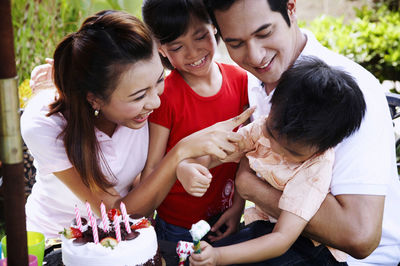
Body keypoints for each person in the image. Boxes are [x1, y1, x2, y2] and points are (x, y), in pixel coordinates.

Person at [196, 0, 400, 265]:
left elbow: (360, 237)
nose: (255, 56)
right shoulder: (258, 79)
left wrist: (251, 187)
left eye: (264, 33)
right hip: (285, 235)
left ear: (291, 7)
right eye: (235, 44)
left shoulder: (345, 96)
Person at [21, 10, 253, 239]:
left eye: (159, 80)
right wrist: (180, 152)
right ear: (95, 99)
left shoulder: (141, 104)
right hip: (56, 240)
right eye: (139, 95)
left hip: (126, 242)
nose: (155, 101)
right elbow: (116, 214)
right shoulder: (46, 126)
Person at [184, 56, 366, 265]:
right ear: (272, 106)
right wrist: (189, 166)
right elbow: (221, 152)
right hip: (269, 226)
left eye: (291, 151)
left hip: (311, 249)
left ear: (321, 148)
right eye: (270, 133)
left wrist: (218, 257)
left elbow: (282, 239)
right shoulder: (264, 126)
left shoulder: (315, 167)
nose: (275, 147)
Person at [141, 0, 249, 243]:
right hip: (178, 225)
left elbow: (247, 153)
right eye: (177, 46)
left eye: (200, 36)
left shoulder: (240, 81)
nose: (192, 52)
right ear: (160, 48)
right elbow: (152, 168)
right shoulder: (165, 96)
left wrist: (238, 206)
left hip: (225, 213)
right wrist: (180, 170)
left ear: (214, 27)